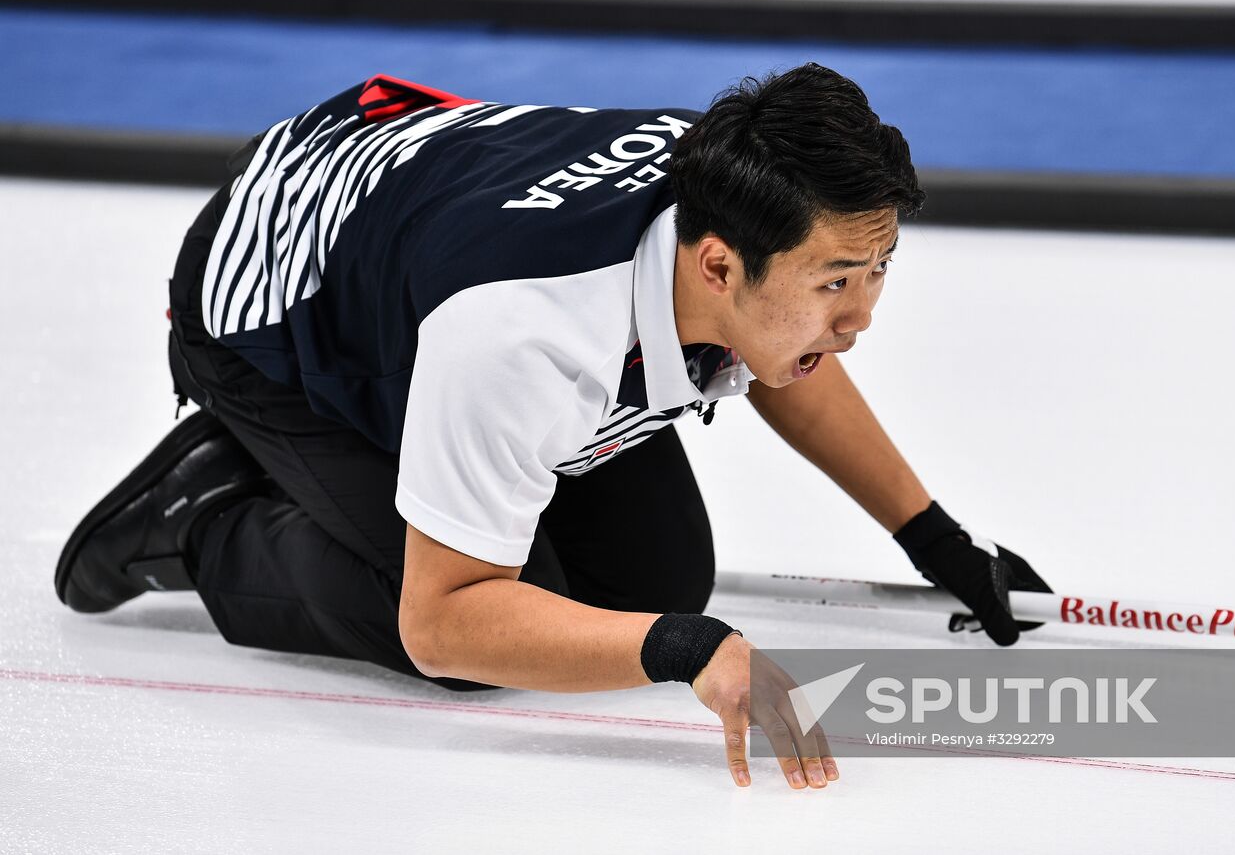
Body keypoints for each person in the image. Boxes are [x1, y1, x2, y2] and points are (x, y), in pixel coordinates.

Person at [55, 63, 1050, 790]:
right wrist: (690, 651)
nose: (860, 315)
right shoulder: (521, 336)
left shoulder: (737, 199)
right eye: (836, 282)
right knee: (480, 638)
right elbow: (442, 625)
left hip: (413, 231)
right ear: (716, 267)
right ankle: (202, 513)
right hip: (272, 308)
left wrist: (937, 541)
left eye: (877, 270)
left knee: (651, 586)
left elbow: (787, 350)